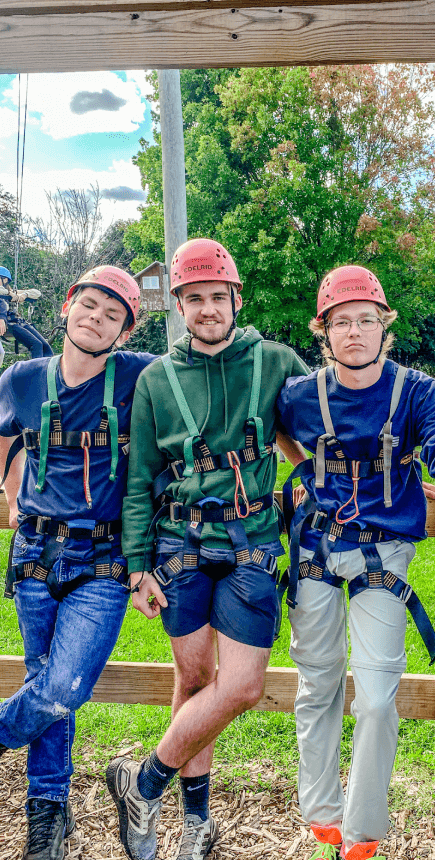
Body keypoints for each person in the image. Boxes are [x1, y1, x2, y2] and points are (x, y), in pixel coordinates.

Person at [275, 265, 435, 860]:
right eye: (342, 322)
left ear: (384, 327)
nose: (355, 332)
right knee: (316, 682)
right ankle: (320, 809)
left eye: (367, 320)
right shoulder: (300, 395)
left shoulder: (412, 391)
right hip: (315, 547)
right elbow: (276, 433)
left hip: (382, 554)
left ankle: (362, 829)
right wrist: (303, 475)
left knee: (376, 692)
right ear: (325, 332)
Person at [107, 238, 309, 860]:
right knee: (192, 677)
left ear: (234, 298)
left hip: (250, 545)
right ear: (179, 306)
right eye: (193, 299)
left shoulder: (274, 361)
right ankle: (196, 821)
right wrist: (138, 565)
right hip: (180, 546)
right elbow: (140, 477)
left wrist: (325, 473)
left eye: (216, 297)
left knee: (243, 686)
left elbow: (330, 420)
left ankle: (142, 782)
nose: (207, 309)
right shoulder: (157, 382)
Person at [0, 265, 152, 860]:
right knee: (45, 685)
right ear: (67, 307)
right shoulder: (22, 379)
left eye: (113, 315)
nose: (97, 318)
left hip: (103, 559)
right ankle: (48, 815)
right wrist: (11, 487)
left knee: (61, 686)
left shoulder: (137, 376)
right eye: (89, 305)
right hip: (36, 553)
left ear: (124, 331)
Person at [0, 266, 54, 360]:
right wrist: (11, 294)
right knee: (36, 344)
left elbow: (37, 293)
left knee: (44, 345)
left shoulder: (12, 291)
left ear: (5, 280)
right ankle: (36, 371)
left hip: (18, 322)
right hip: (9, 324)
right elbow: (2, 291)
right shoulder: (6, 292)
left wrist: (24, 295)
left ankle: (47, 369)